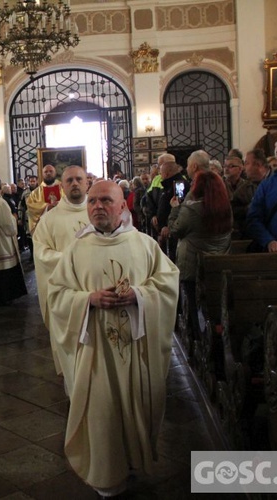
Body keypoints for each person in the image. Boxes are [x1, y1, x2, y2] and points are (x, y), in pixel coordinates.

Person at [47, 180, 179, 497]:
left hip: (135, 349)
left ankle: (132, 462)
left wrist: (139, 294)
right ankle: (106, 475)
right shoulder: (77, 249)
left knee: (135, 406)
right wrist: (87, 300)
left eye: (106, 200)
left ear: (123, 206)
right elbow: (56, 295)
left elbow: (168, 285)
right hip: (94, 352)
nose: (97, 207)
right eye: (92, 202)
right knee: (102, 412)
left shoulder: (145, 245)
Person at [32, 166, 90, 374]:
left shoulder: (99, 211)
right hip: (68, 295)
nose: (74, 183)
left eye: (78, 179)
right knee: (73, 355)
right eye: (70, 181)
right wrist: (70, 260)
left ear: (87, 182)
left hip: (98, 291)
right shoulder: (49, 219)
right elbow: (40, 252)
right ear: (62, 186)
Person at [168, 171, 232, 288]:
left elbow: (175, 230)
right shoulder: (225, 208)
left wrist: (176, 209)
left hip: (193, 266)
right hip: (219, 262)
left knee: (192, 301)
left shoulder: (192, 209)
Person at [26, 165, 63, 235]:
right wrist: (47, 207)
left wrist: (60, 205)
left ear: (55, 173)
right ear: (42, 174)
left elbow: (70, 202)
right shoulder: (35, 193)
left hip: (62, 225)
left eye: (51, 171)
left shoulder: (64, 189)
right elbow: (31, 208)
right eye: (46, 172)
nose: (48, 173)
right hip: (44, 228)